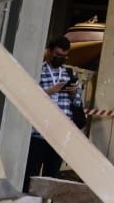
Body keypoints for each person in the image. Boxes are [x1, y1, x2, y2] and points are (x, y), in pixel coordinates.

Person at [22, 36, 81, 191]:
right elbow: (28, 97)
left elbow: (77, 104)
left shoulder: (68, 74)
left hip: (59, 134)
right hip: (38, 133)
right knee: (30, 174)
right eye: (57, 55)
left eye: (64, 56)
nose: (60, 59)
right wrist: (49, 91)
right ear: (48, 51)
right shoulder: (37, 71)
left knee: (52, 176)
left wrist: (74, 93)